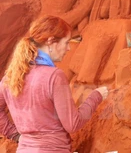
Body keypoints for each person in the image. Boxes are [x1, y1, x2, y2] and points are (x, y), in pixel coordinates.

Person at [0, 15, 109, 153]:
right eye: (66, 42)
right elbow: (73, 124)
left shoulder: (10, 77)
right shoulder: (54, 76)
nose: (69, 48)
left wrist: (15, 134)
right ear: (51, 41)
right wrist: (96, 96)